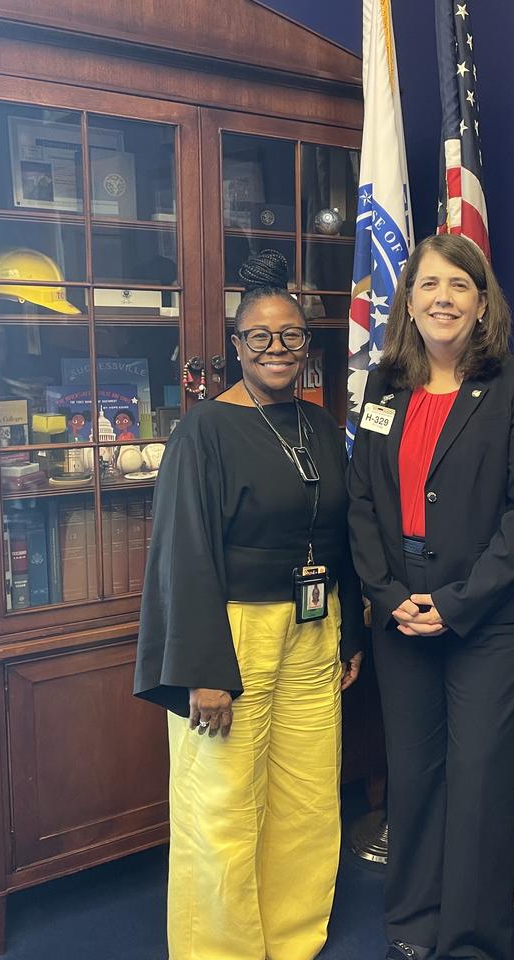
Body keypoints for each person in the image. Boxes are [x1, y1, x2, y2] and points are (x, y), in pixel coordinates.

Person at [134, 250, 364, 960]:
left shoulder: (320, 425)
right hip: (233, 635)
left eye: (290, 336)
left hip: (311, 629)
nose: (276, 349)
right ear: (236, 347)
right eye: (259, 337)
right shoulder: (203, 432)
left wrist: (347, 632)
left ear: (307, 345)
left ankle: (291, 937)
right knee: (224, 803)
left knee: (305, 795)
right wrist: (205, 669)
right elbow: (183, 555)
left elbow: (341, 530)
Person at [347, 234, 514, 960]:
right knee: (413, 774)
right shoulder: (384, 384)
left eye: (459, 285)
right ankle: (411, 923)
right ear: (408, 300)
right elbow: (362, 503)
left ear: (481, 302)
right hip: (400, 614)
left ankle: (471, 942)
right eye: (429, 284)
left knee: (478, 781)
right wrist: (386, 592)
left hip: (494, 621)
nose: (442, 297)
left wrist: (459, 602)